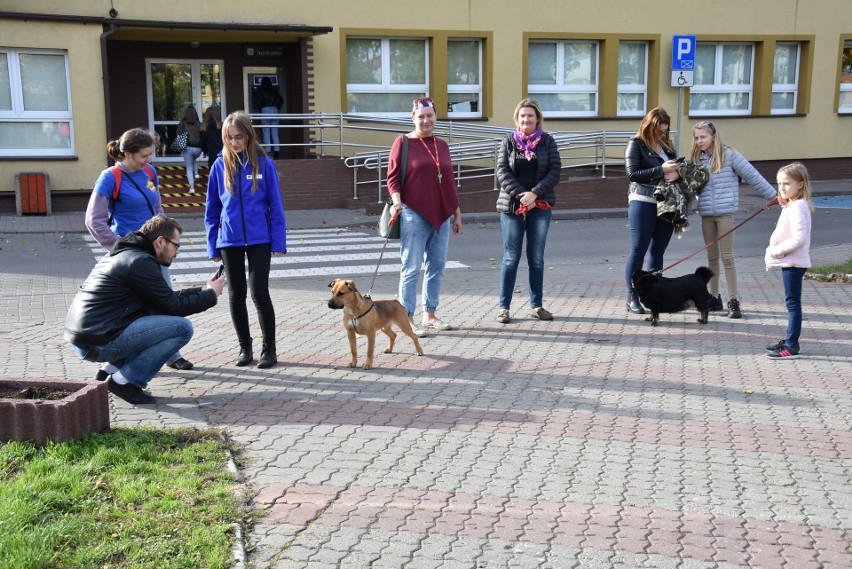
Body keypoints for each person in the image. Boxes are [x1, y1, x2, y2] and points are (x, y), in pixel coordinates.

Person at [65, 215, 225, 404]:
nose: (177, 252)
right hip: (96, 341)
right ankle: (124, 382)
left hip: (86, 337)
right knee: (182, 328)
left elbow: (164, 299)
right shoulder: (140, 262)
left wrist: (203, 290)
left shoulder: (129, 254)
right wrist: (210, 296)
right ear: (160, 241)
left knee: (155, 317)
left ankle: (111, 370)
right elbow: (174, 307)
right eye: (176, 245)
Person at [85, 127, 194, 372]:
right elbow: (94, 220)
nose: (149, 160)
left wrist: (167, 239)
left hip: (155, 251)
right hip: (128, 256)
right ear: (128, 154)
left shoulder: (149, 172)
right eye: (145, 155)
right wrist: (120, 248)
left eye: (151, 154)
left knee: (164, 300)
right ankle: (119, 362)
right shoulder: (110, 177)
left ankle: (171, 353)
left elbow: (158, 210)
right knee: (131, 307)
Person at [205, 111, 286, 368]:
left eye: (239, 137)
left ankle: (269, 350)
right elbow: (212, 209)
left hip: (260, 238)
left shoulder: (264, 163)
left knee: (259, 292)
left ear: (248, 135)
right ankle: (244, 348)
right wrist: (212, 245)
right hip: (229, 240)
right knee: (236, 294)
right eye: (229, 138)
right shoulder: (219, 165)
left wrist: (278, 241)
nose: (234, 142)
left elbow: (276, 204)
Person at [386, 97, 463, 337]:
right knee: (411, 268)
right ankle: (406, 318)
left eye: (430, 115)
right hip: (413, 213)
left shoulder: (442, 144)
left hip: (442, 214)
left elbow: (449, 181)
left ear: (436, 117)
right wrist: (396, 202)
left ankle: (429, 314)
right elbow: (393, 177)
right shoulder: (403, 142)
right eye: (421, 116)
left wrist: (457, 213)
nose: (426, 120)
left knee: (437, 266)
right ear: (413, 118)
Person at [691, 121, 778, 319]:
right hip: (706, 214)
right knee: (711, 258)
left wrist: (774, 196)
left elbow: (752, 175)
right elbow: (692, 186)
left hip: (724, 214)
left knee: (727, 257)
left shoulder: (729, 155)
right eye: (696, 138)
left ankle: (733, 300)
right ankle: (713, 298)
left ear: (713, 136)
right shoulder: (698, 159)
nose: (699, 141)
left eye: (703, 137)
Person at [494, 98, 562, 323]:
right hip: (512, 207)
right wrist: (523, 195)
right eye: (522, 116)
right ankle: (504, 308)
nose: (526, 119)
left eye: (530, 116)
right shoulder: (508, 142)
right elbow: (502, 172)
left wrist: (535, 194)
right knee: (510, 257)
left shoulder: (548, 142)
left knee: (537, 258)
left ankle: (537, 305)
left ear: (537, 118)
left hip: (539, 207)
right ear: (517, 118)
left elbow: (554, 171)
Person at [624, 107, 681, 314]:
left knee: (658, 251)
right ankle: (632, 295)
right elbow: (633, 174)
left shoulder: (667, 145)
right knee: (639, 249)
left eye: (665, 131)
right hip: (642, 200)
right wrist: (661, 169)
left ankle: (654, 293)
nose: (662, 135)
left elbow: (675, 170)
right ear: (649, 126)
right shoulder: (636, 143)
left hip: (666, 203)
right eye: (659, 131)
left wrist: (677, 173)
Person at [764, 163, 813, 360]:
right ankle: (791, 340)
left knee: (793, 305)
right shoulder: (793, 204)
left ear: (800, 184)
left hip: (793, 263)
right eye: (779, 183)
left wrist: (776, 251)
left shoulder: (798, 207)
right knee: (791, 304)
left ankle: (791, 346)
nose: (782, 188)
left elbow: (800, 238)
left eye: (787, 183)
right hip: (791, 262)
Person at [176, 105, 203, 193]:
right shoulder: (199, 123)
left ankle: (192, 187)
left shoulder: (182, 123)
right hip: (198, 149)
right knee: (193, 159)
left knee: (189, 167)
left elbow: (178, 135)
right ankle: (196, 174)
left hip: (187, 148)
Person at [255, 77, 283, 159]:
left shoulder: (261, 91)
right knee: (275, 132)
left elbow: (258, 103)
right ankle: (277, 153)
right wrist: (277, 107)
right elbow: (281, 101)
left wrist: (260, 109)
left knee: (266, 132)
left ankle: (268, 152)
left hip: (265, 111)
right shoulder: (274, 90)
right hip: (274, 110)